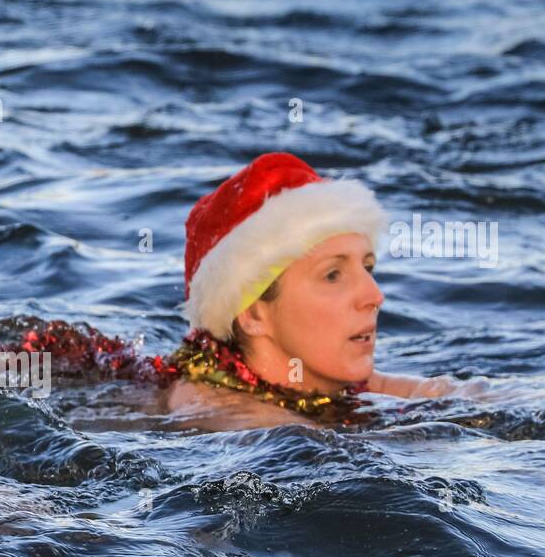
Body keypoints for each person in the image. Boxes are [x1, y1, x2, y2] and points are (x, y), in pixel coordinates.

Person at [164, 151, 486, 430]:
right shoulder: (208, 403)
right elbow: (300, 447)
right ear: (252, 313)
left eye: (368, 268)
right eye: (333, 275)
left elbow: (464, 396)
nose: (374, 296)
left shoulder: (329, 378)